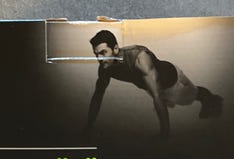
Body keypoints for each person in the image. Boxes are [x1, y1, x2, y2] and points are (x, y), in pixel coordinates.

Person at [85, 30, 223, 138]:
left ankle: (214, 100)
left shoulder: (139, 58)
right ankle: (210, 99)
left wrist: (164, 133)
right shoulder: (105, 68)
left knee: (189, 98)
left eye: (103, 52)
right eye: (96, 54)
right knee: (182, 97)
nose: (100, 59)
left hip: (171, 81)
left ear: (115, 48)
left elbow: (158, 96)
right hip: (152, 83)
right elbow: (97, 96)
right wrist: (88, 127)